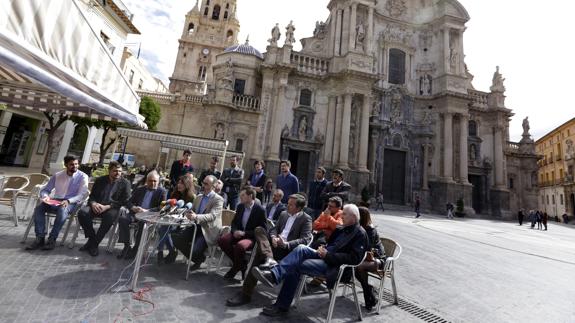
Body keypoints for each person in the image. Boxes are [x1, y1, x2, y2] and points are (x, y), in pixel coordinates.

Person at [250, 204, 368, 317]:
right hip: (324, 256)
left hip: (335, 266)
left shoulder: (360, 234)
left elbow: (354, 259)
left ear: (353, 217)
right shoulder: (343, 228)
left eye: (345, 214)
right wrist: (324, 248)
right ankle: (274, 275)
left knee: (295, 266)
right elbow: (331, 243)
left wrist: (328, 255)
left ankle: (280, 302)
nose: (341, 216)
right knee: (301, 248)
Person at [225, 194, 312, 307]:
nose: (287, 206)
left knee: (259, 255)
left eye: (291, 205)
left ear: (299, 208)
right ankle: (269, 258)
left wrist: (286, 244)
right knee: (259, 230)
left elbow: (305, 240)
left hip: (288, 250)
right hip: (274, 245)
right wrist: (273, 237)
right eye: (288, 203)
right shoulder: (284, 214)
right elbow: (274, 229)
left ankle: (246, 294)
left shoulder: (306, 219)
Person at [25, 155, 88, 251]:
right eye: (71, 164)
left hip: (71, 202)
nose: (74, 166)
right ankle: (40, 237)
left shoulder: (83, 176)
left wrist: (68, 201)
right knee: (39, 208)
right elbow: (45, 190)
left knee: (62, 211)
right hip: (55, 200)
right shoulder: (58, 175)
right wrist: (45, 197)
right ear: (66, 165)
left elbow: (82, 194)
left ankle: (52, 238)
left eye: (76, 164)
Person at [77, 161, 131, 256]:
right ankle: (92, 239)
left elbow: (124, 201)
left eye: (119, 171)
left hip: (112, 207)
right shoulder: (100, 180)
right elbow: (92, 196)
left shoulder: (125, 183)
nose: (118, 173)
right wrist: (93, 204)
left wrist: (107, 206)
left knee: (109, 217)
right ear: (109, 171)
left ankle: (94, 244)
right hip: (97, 205)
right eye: (115, 171)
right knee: (82, 213)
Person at [172, 175, 223, 270]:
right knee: (176, 240)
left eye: (206, 184)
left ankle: (197, 258)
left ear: (213, 186)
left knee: (195, 250)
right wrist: (187, 213)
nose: (203, 185)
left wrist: (196, 216)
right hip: (195, 226)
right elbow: (192, 210)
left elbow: (212, 216)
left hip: (208, 230)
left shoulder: (218, 199)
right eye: (203, 182)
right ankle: (198, 259)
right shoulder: (199, 197)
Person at [218, 187, 267, 279]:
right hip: (237, 233)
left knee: (240, 246)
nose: (240, 197)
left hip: (250, 237)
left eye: (243, 195)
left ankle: (235, 268)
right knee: (222, 240)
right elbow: (234, 222)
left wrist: (244, 234)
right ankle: (242, 264)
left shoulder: (260, 210)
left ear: (250, 196)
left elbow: (263, 230)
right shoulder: (240, 206)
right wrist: (235, 231)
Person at [117, 171, 167, 260]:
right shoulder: (140, 189)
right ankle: (127, 246)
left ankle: (135, 249)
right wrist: (133, 208)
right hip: (136, 213)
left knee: (142, 225)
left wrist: (147, 211)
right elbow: (128, 201)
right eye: (150, 181)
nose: (153, 183)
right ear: (146, 181)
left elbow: (162, 208)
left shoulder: (162, 192)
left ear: (158, 182)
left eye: (155, 181)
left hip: (149, 216)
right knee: (122, 219)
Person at [157, 175, 196, 264]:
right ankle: (168, 251)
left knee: (163, 229)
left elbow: (192, 213)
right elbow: (168, 208)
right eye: (178, 183)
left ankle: (163, 252)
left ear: (187, 185)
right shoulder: (175, 194)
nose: (179, 185)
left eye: (182, 183)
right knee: (163, 228)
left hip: (184, 224)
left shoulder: (193, 197)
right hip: (171, 221)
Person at [355, 207, 385, 310]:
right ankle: (370, 291)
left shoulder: (370, 230)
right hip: (364, 258)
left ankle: (369, 295)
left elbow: (367, 249)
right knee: (355, 267)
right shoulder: (358, 227)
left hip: (377, 259)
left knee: (359, 267)